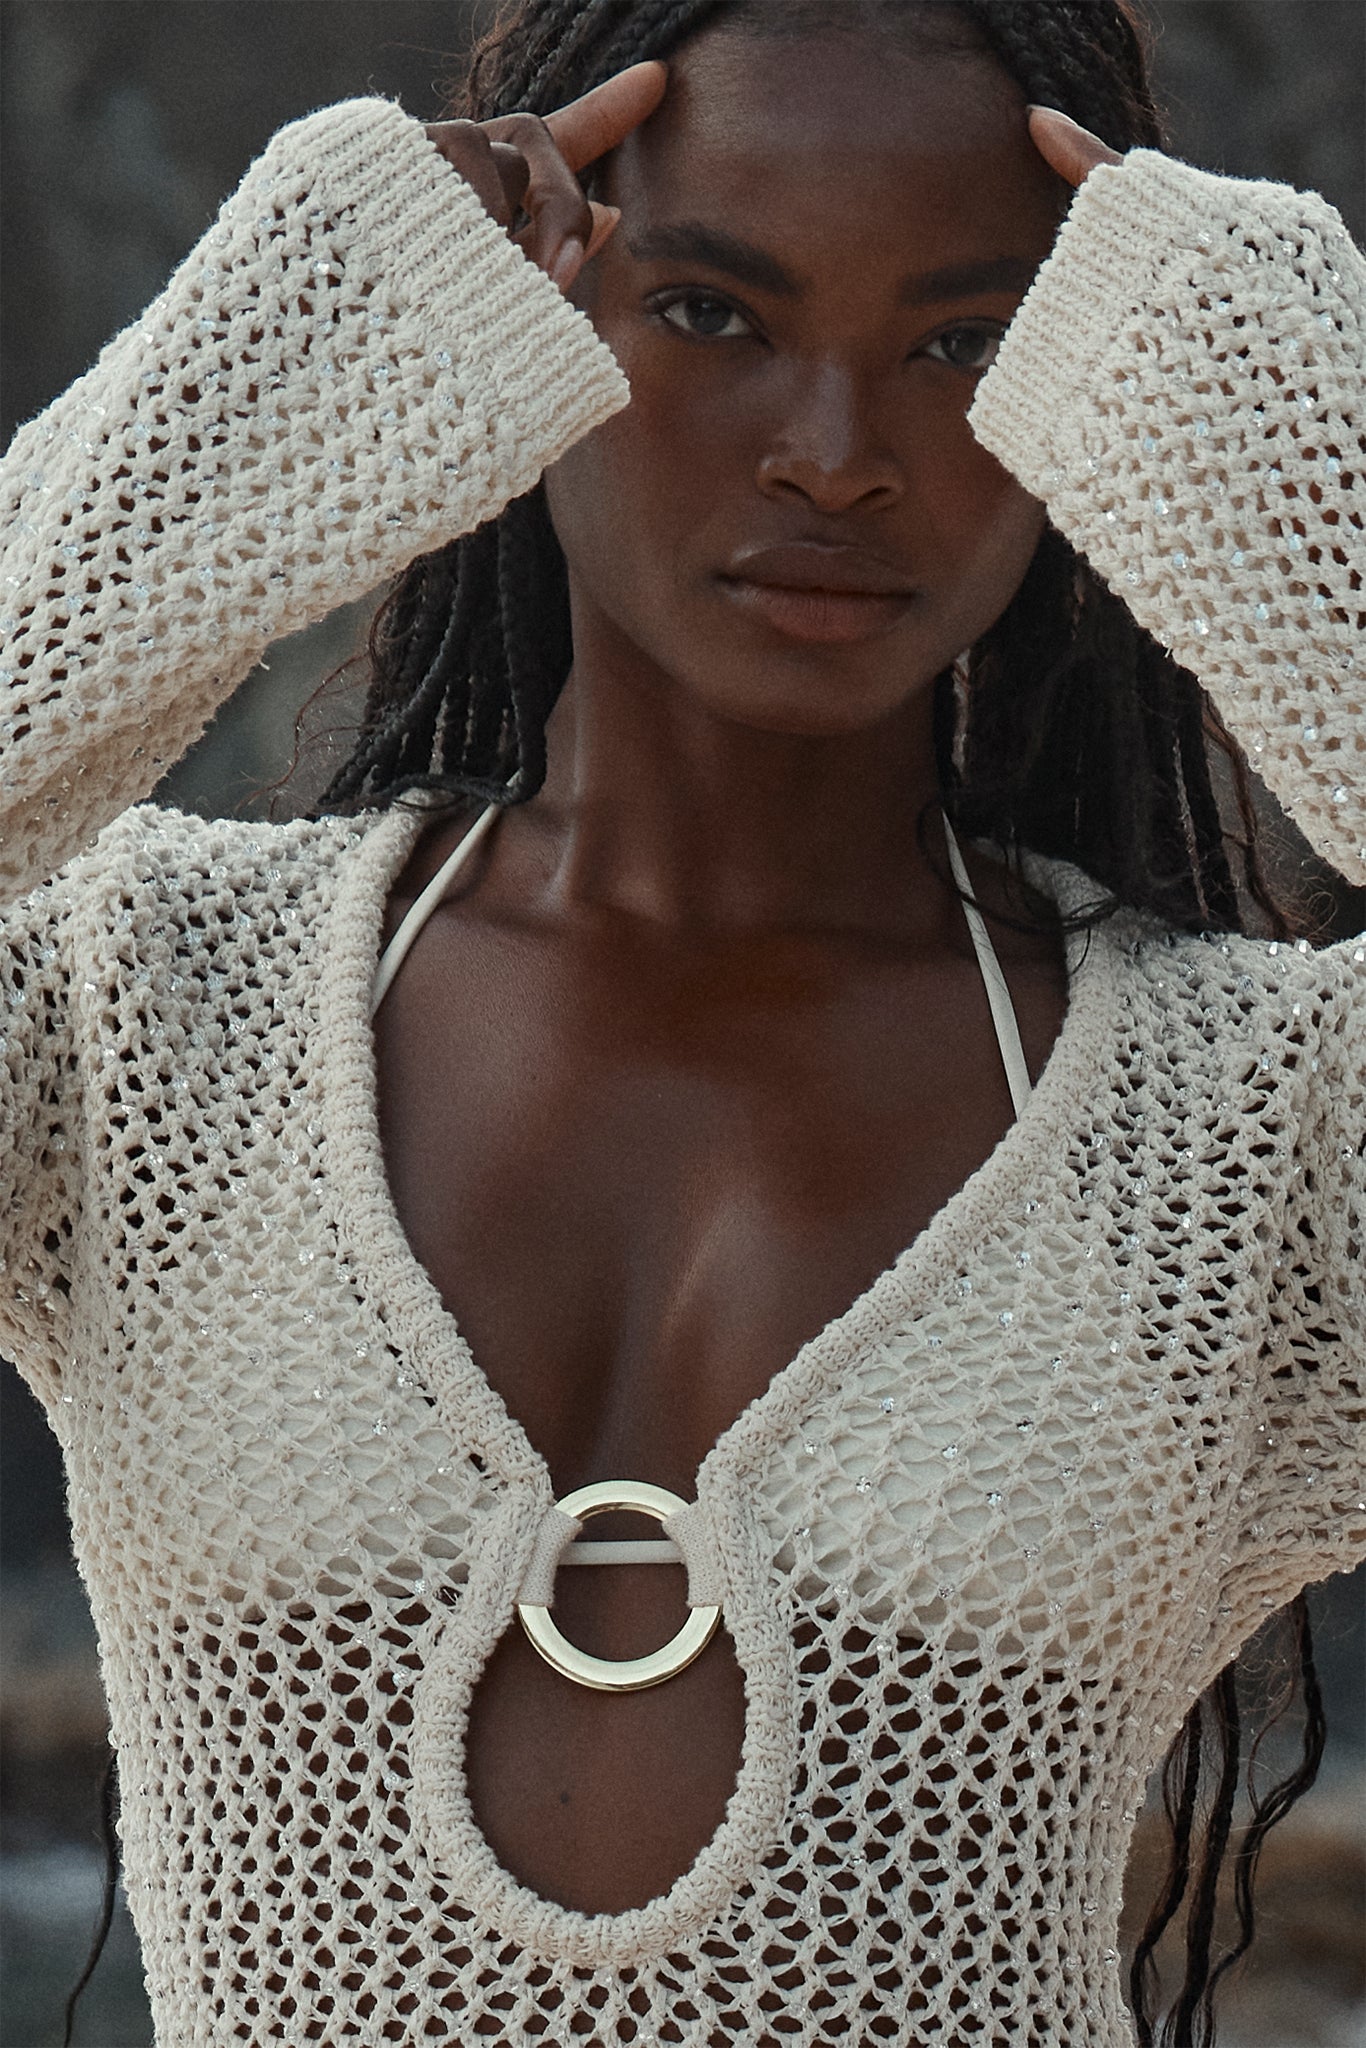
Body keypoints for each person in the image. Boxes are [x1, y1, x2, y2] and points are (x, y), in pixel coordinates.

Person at [1, 0, 1361, 2042]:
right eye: (712, 314)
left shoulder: (1250, 1127)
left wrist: (1313, 492)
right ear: (520, 319)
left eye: (963, 342)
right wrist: (241, 396)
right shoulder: (142, 1011)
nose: (833, 450)